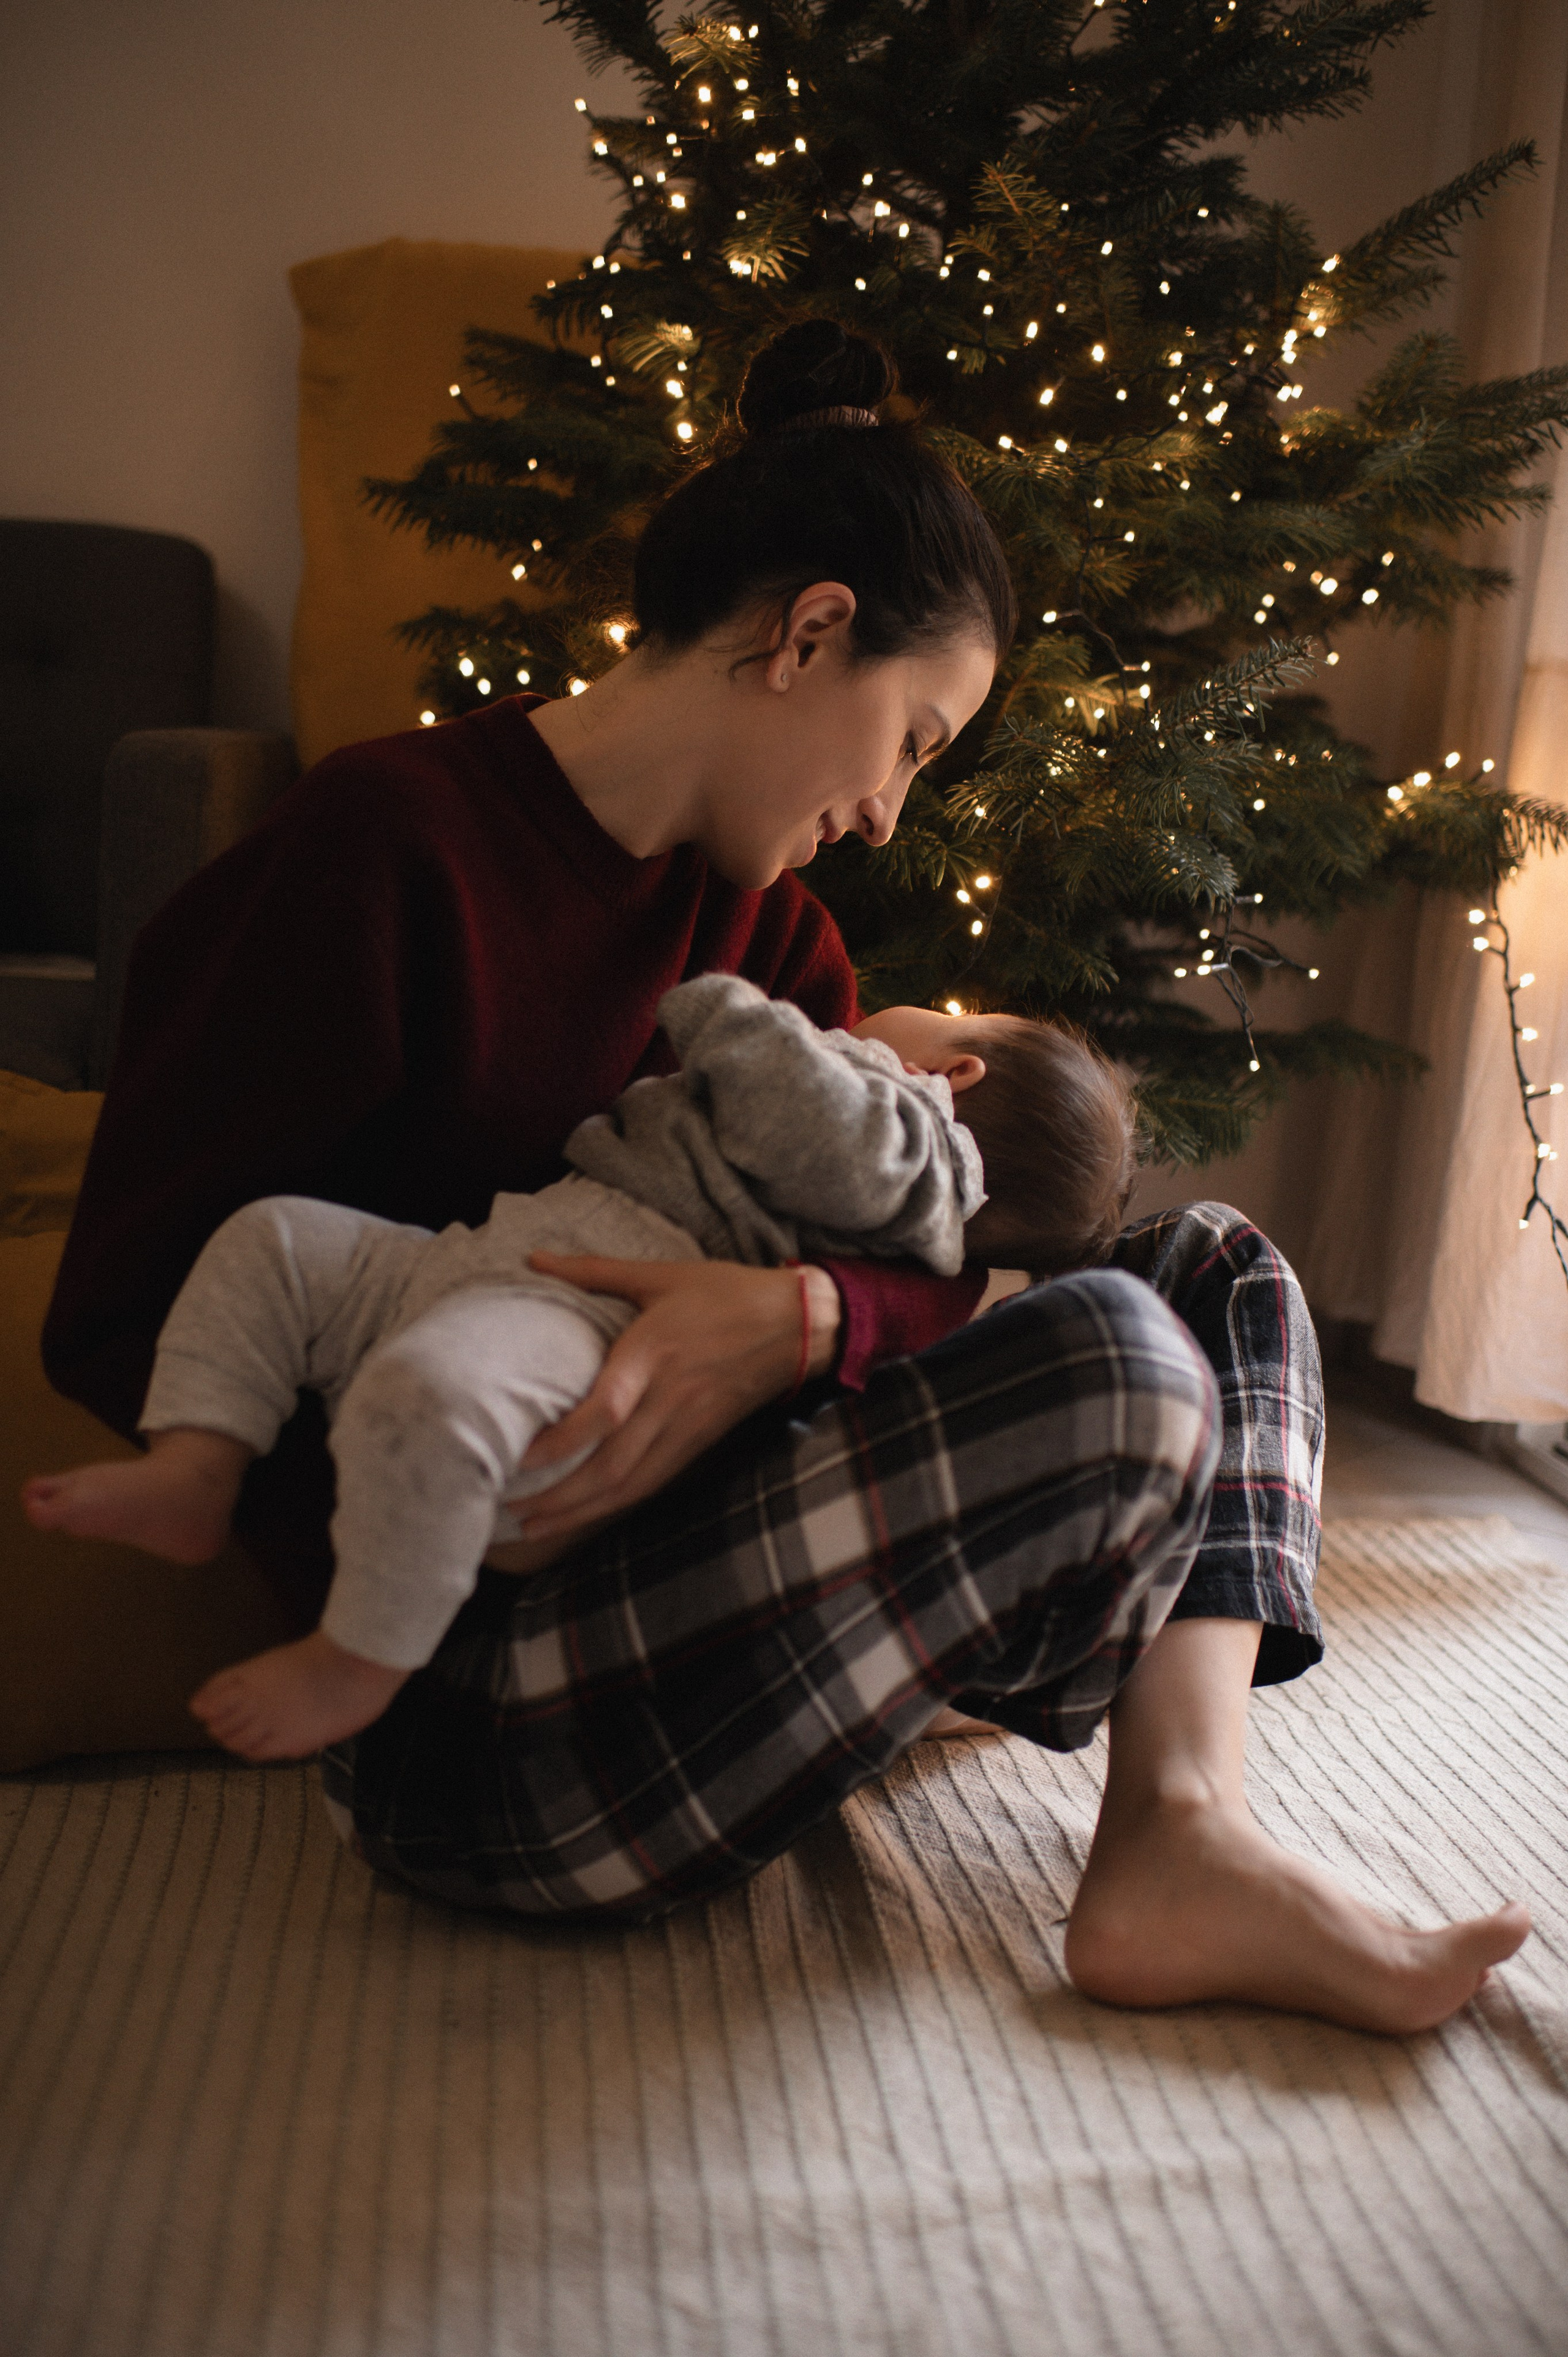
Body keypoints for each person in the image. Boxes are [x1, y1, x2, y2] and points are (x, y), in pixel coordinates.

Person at [40, 319, 1528, 2032]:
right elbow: (125, 1308)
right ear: (809, 633)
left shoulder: (776, 942)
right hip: (474, 1695)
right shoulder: (382, 852)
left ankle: (1182, 1834)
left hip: (727, 1597)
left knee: (1214, 1266)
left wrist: (798, 1324)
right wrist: (480, 1440)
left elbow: (922, 1239)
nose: (892, 812)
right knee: (1118, 1361)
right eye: (912, 740)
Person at [25, 978, 1135, 1759]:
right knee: (276, 1241)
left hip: (580, 1313)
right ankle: (199, 1464)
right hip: (481, 1260)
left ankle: (361, 1657)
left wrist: (730, 1010)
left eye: (951, 1007)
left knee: (434, 1400)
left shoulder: (919, 1138)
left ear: (957, 1066)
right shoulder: (899, 1143)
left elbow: (801, 1122)